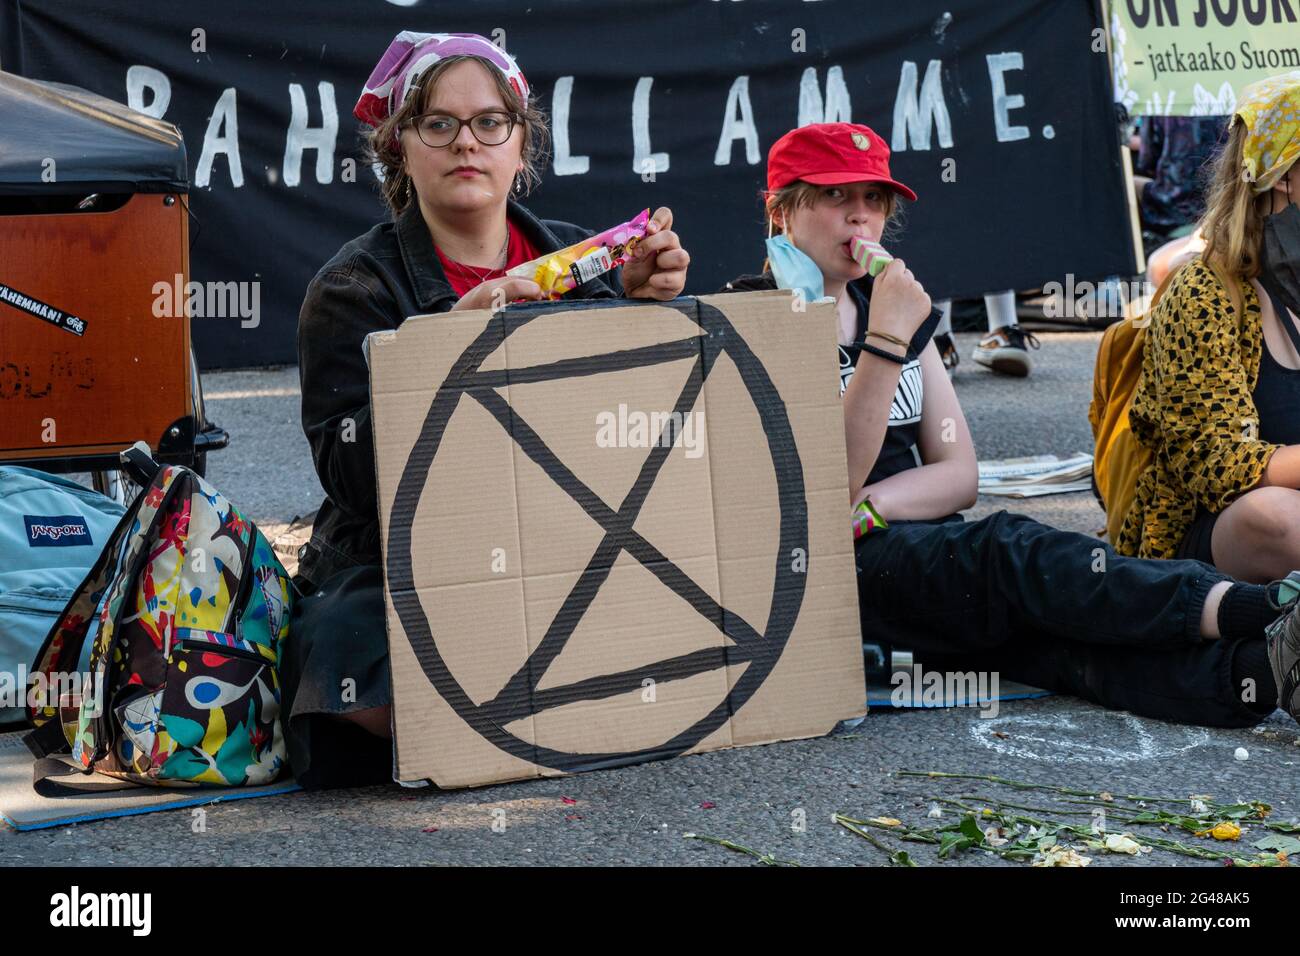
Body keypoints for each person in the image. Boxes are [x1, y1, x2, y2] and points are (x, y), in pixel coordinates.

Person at [720, 121, 1300, 729]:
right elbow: (823, 490)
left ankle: (1260, 672)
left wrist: (873, 506)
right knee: (1008, 550)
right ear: (782, 212)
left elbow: (959, 474)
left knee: (1060, 649)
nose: (859, 218)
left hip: (916, 545)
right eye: (835, 196)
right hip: (833, 572)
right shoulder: (756, 317)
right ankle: (1258, 609)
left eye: (873, 199)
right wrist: (886, 344)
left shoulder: (888, 306)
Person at [288, 32, 690, 788]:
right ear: (400, 147)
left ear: (519, 143)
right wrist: (451, 350)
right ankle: (545, 712)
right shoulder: (351, 290)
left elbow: (642, 442)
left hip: (566, 542)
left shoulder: (585, 262)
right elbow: (355, 482)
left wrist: (643, 310)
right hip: (410, 559)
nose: (464, 142)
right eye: (437, 124)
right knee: (338, 642)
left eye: (488, 123)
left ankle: (505, 717)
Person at [1120, 72, 1300, 586]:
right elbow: (1217, 467)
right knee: (1272, 515)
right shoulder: (1204, 292)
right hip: (1213, 535)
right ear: (1283, 172)